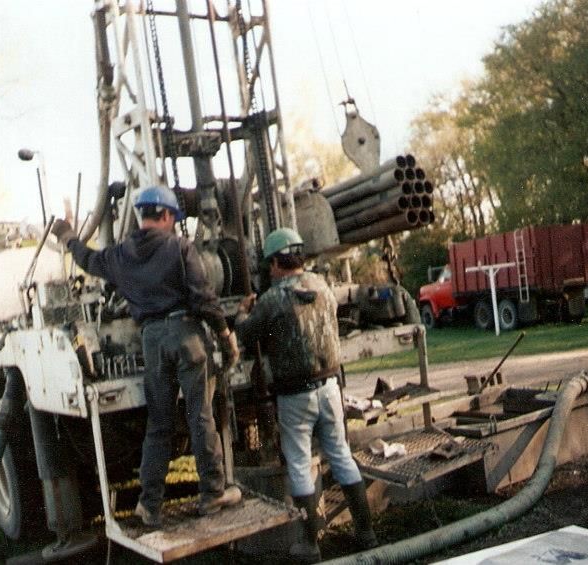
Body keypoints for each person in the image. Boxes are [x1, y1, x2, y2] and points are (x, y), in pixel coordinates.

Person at [50, 185, 241, 527]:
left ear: (141, 215)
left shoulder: (121, 255)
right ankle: (213, 494)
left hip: (151, 341)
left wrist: (67, 236)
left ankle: (148, 505)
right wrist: (226, 335)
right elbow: (203, 298)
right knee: (200, 417)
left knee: (159, 425)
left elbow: (87, 260)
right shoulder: (180, 247)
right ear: (167, 215)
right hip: (187, 336)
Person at [234, 227, 377, 562]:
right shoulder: (323, 287)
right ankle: (366, 533)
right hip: (329, 387)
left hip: (295, 395)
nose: (269, 270)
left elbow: (247, 333)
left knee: (299, 464)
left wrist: (243, 311)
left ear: (277, 263)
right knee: (341, 454)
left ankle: (310, 545)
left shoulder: (271, 300)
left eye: (270, 264)